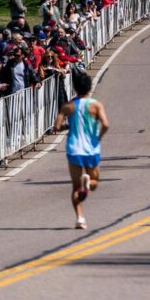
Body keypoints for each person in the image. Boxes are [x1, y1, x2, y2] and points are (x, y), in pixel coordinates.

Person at [54, 73, 109, 230]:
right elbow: (105, 124)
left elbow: (57, 127)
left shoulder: (68, 106)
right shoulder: (96, 105)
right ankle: (88, 183)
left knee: (75, 187)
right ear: (89, 87)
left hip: (74, 149)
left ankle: (80, 218)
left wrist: (68, 126)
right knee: (94, 182)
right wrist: (98, 137)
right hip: (91, 148)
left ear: (74, 87)